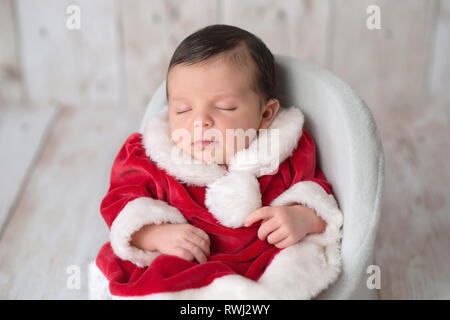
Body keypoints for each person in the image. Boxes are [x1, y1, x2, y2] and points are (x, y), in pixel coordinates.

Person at [95, 24, 343, 299]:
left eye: (224, 107)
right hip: (183, 269)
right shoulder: (150, 157)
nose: (200, 121)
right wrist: (155, 234)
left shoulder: (285, 151)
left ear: (266, 114)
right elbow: (121, 206)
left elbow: (318, 196)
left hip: (262, 271)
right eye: (183, 109)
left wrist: (303, 218)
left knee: (292, 273)